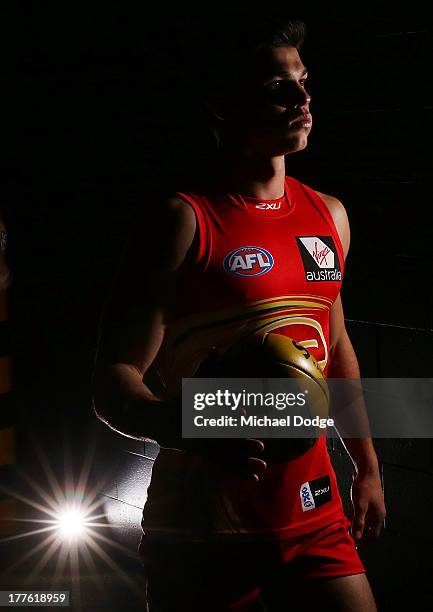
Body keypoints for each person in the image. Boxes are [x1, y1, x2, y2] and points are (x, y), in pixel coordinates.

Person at [93, 14, 386, 611]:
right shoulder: (183, 220)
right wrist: (199, 427)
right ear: (222, 105)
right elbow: (113, 384)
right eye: (277, 88)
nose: (301, 99)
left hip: (313, 510)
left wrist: (368, 467)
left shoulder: (329, 215)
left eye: (303, 82)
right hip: (203, 527)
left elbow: (336, 344)